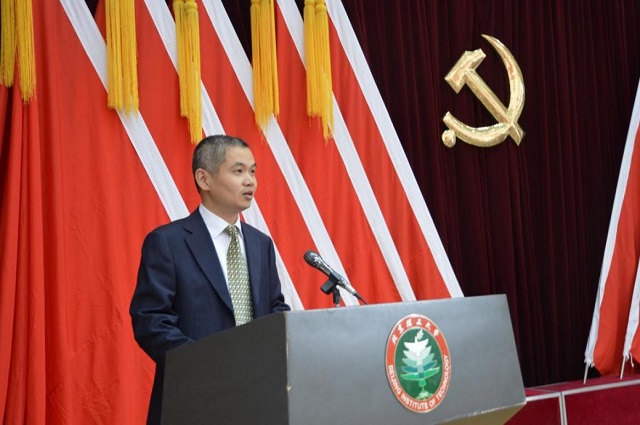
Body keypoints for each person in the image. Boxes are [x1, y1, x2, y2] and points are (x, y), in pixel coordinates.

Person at [130, 134, 291, 425]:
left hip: (257, 399)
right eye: (238, 171)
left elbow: (274, 309)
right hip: (193, 400)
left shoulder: (260, 244)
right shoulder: (168, 242)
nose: (250, 181)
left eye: (253, 171)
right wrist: (209, 366)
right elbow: (151, 321)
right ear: (204, 179)